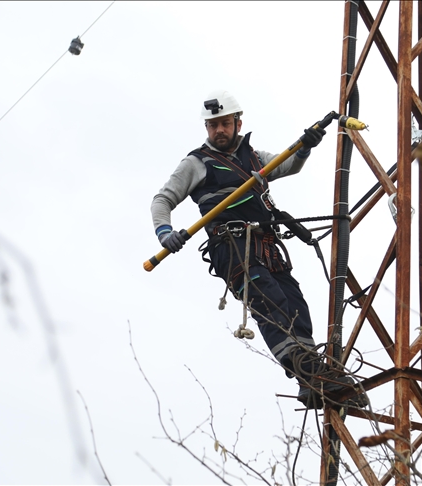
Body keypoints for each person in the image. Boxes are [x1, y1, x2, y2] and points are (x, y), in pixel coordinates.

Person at [150, 90, 367, 409]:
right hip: (233, 245)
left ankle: (310, 377)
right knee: (269, 301)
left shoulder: (253, 157)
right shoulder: (197, 163)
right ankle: (309, 372)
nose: (219, 131)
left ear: (238, 123)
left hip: (266, 244)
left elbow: (289, 165)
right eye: (213, 126)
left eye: (224, 124)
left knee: (295, 304)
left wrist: (305, 147)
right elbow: (163, 199)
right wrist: (165, 232)